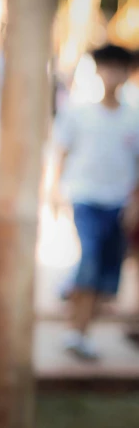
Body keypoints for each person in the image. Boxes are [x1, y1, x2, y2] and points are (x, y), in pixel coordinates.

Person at [52, 44, 139, 360]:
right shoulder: (80, 112)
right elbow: (61, 152)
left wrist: (134, 203)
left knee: (105, 272)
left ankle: (80, 322)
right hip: (85, 196)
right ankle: (76, 330)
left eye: (118, 67)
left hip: (117, 202)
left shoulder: (133, 117)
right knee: (89, 259)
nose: (112, 74)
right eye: (106, 66)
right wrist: (54, 190)